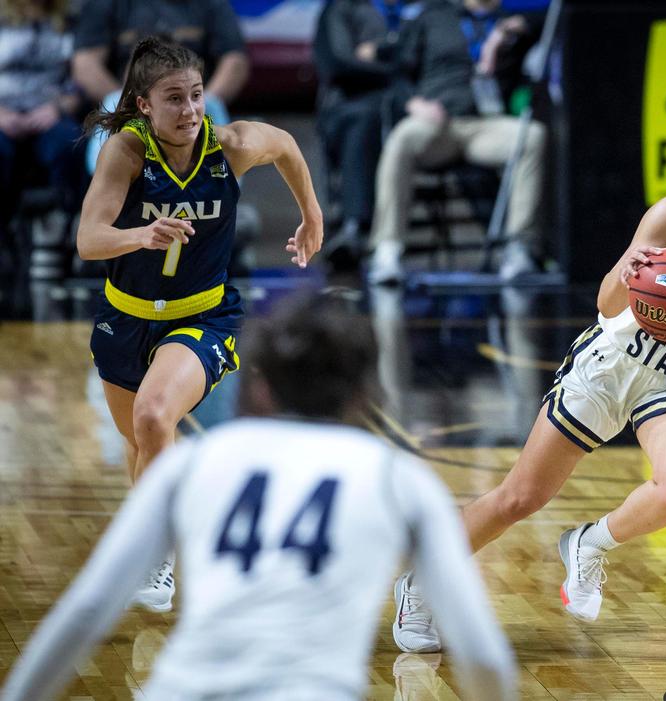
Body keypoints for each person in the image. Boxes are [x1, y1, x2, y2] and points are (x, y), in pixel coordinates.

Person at [389, 110, 666, 654]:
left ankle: (589, 544)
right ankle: (420, 583)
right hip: (611, 364)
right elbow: (607, 306)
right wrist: (630, 276)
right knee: (519, 497)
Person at [0, 291, 517, 701]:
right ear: (364, 393)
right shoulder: (398, 479)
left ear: (261, 385)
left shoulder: (193, 462)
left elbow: (87, 609)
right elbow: (484, 656)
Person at [77, 36, 322, 613]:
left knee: (155, 415)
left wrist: (311, 213)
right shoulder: (126, 152)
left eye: (196, 96)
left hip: (203, 317)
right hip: (125, 317)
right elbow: (89, 240)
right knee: (143, 444)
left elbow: (285, 144)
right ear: (143, 104)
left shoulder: (229, 144)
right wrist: (141, 233)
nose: (191, 110)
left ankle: (154, 555)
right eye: (174, 99)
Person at [367, 0, 546, 284]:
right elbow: (399, 74)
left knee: (533, 137)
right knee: (402, 138)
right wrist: (414, 104)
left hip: (485, 124)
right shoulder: (433, 16)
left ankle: (519, 247)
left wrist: (518, 25)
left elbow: (557, 18)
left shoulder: (510, 22)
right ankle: (388, 248)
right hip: (437, 122)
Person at [70, 0, 249, 175]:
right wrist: (128, 105)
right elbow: (98, 167)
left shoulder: (208, 106)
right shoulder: (116, 103)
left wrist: (198, 103)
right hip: (125, 108)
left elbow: (235, 60)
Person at [313, 0, 408, 263]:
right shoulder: (342, 8)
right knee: (364, 118)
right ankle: (352, 226)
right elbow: (339, 64)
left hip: (411, 101)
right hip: (351, 101)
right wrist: (396, 72)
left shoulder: (418, 10)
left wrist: (381, 51)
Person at [0, 0, 83, 237]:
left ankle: (65, 230)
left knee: (70, 142)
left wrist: (57, 108)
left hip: (51, 111)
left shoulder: (70, 18)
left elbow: (79, 82)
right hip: (3, 111)